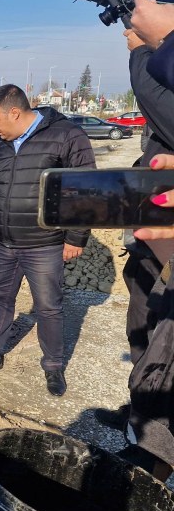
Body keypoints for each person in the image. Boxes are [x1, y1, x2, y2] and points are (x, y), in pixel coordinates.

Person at [0, 85, 95, 397]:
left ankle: (54, 367)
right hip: (4, 243)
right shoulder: (1, 145)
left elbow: (85, 190)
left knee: (48, 307)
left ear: (15, 113)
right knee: (1, 299)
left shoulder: (66, 136)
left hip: (44, 244)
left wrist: (76, 237)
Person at [95, 28, 174, 430]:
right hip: (148, 251)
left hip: (169, 255)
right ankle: (138, 414)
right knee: (140, 333)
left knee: (165, 349)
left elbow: (152, 95)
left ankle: (150, 447)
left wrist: (144, 47)